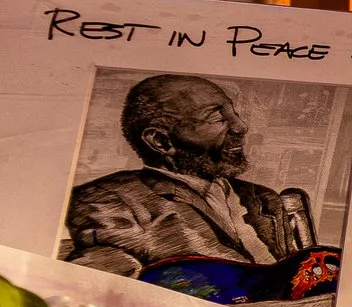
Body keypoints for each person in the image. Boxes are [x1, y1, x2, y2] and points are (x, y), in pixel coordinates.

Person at [60, 75, 316, 280]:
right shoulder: (107, 200)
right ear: (161, 141)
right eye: (216, 117)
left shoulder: (262, 197)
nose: (240, 126)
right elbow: (103, 288)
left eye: (232, 113)